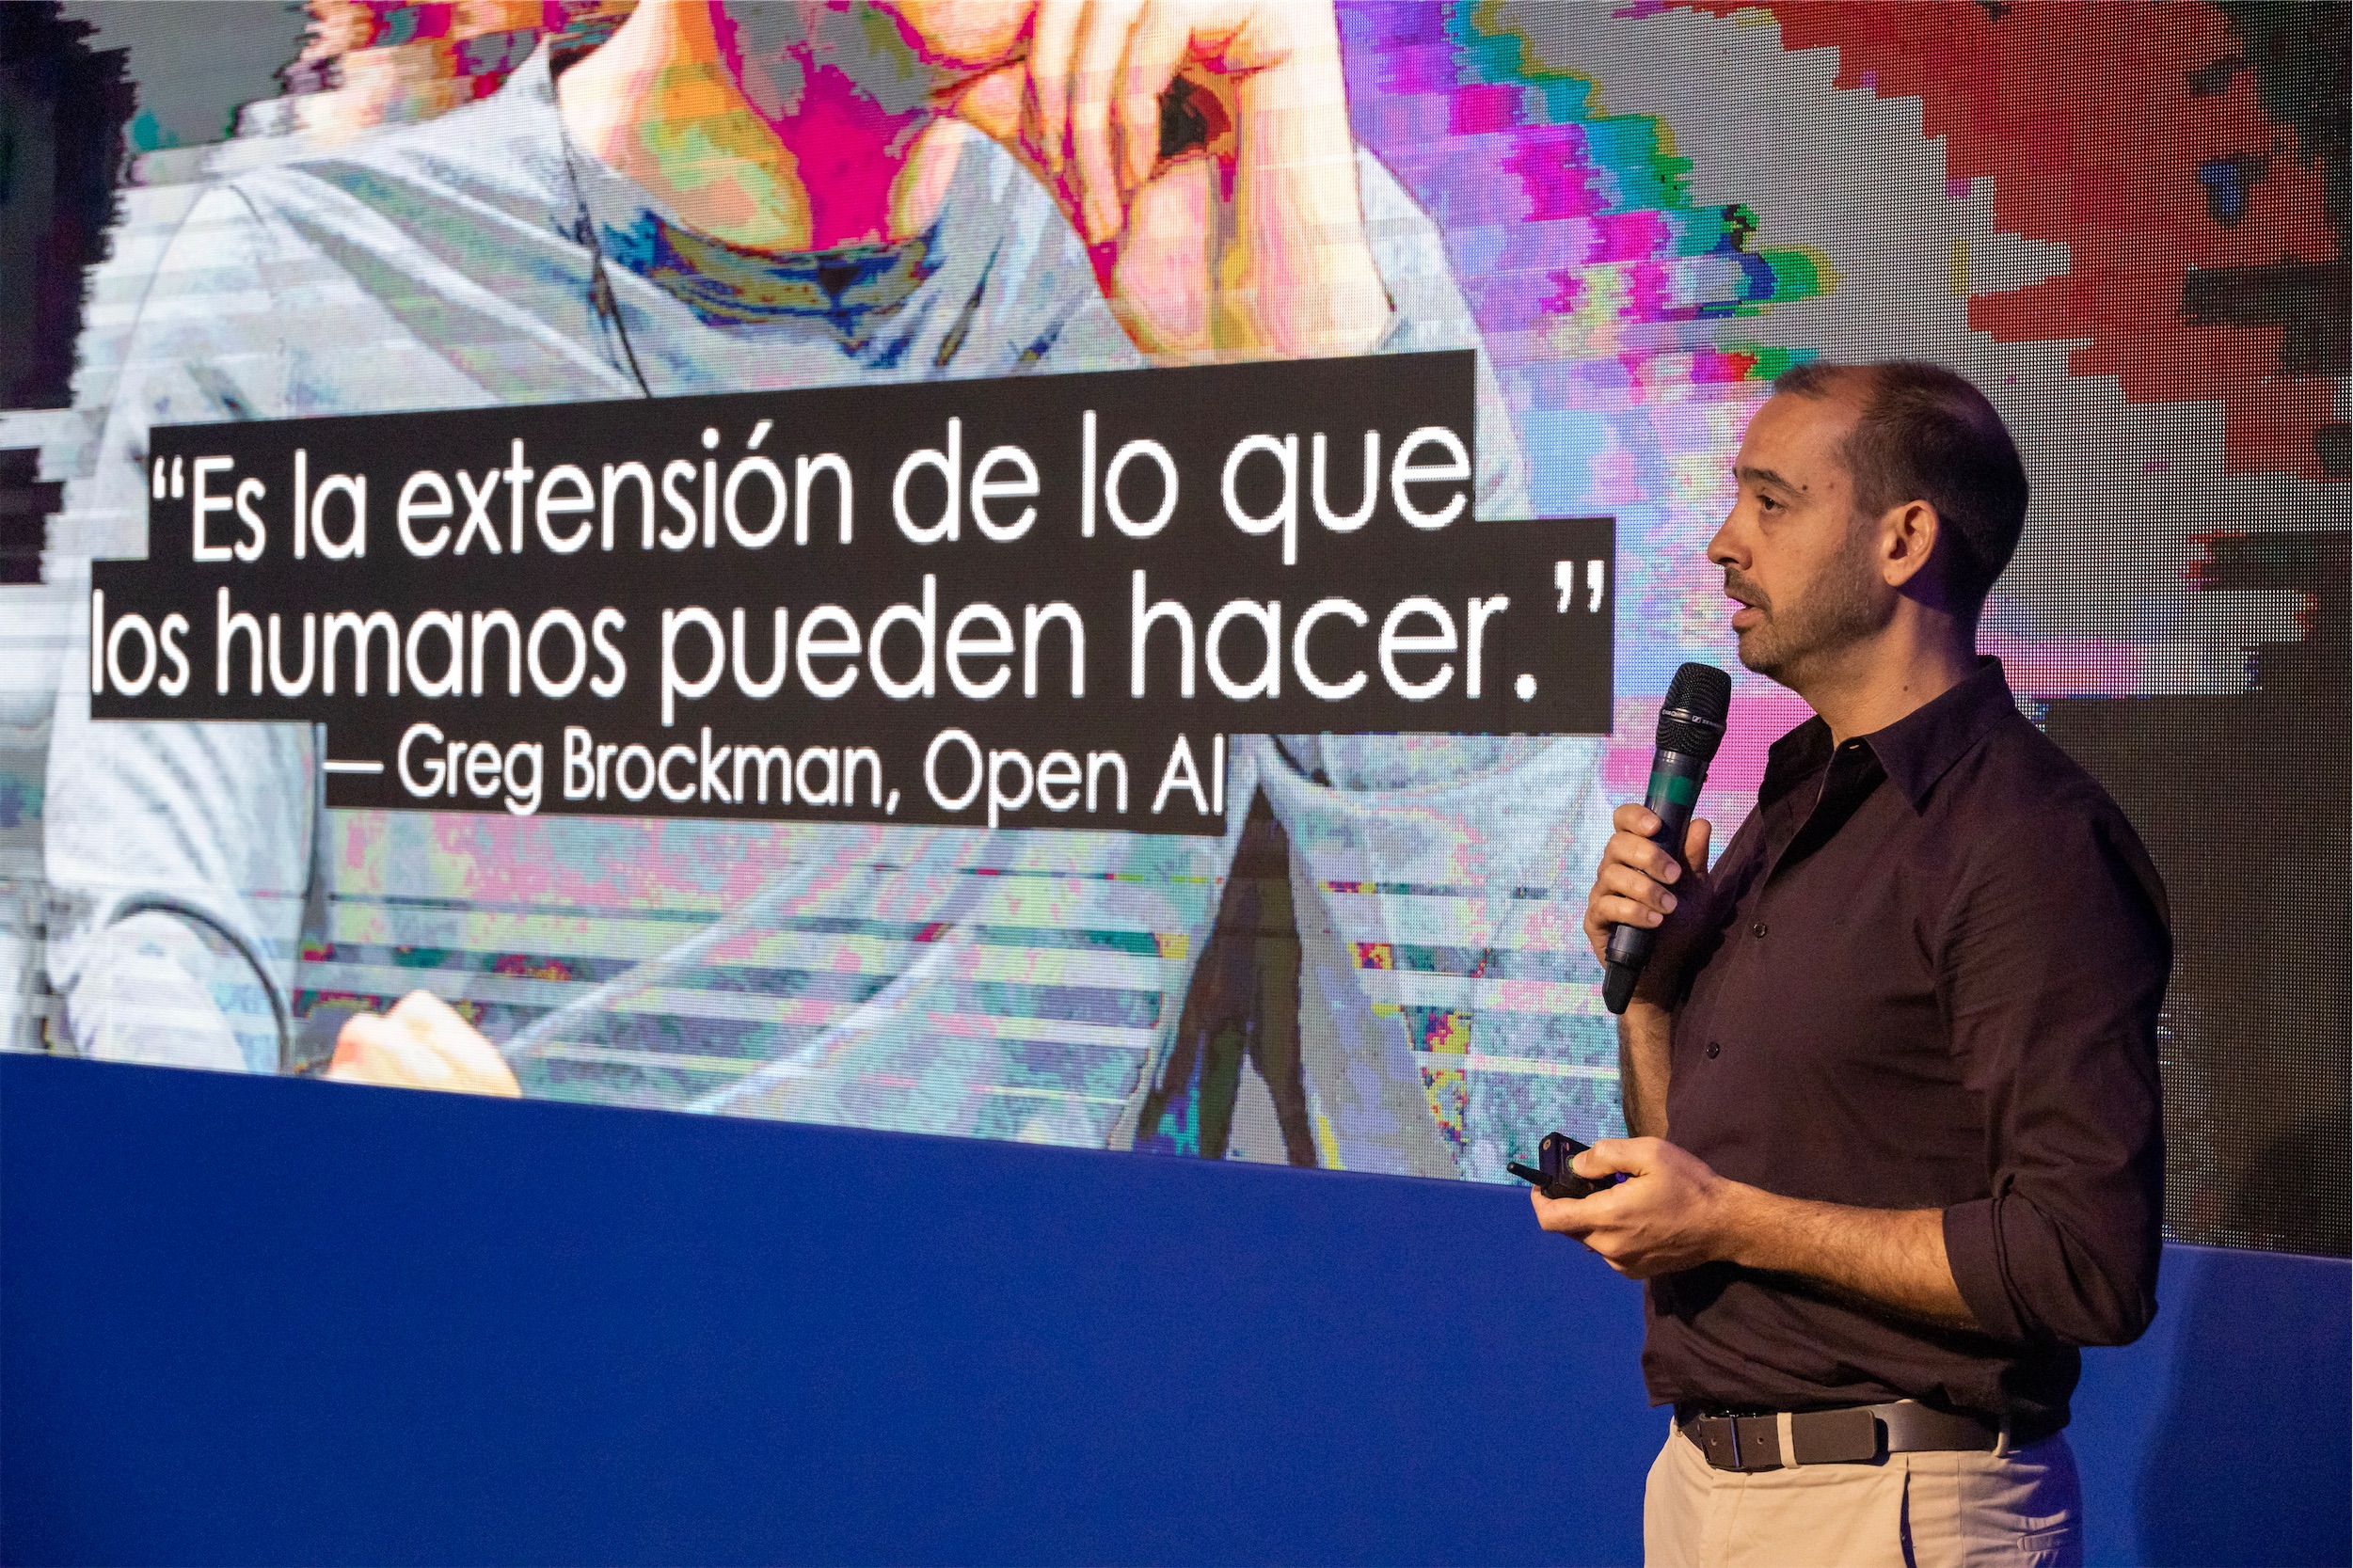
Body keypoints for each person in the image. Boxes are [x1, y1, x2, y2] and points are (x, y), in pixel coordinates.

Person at [43, 0, 1613, 1177]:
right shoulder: (305, 287)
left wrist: (1332, 426)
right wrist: (309, 1189)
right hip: (499, 1404)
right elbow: (151, 1037)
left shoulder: (1250, 239)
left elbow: (1556, 1131)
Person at [1538, 361, 2168, 1566]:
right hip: (1703, 1481)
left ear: (1902, 540)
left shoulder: (2025, 841)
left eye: (1769, 501)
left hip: (1890, 1506)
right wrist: (1651, 999)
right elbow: (1704, 1184)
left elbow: (2083, 1261)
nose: (1723, 542)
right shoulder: (1794, 798)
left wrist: (1731, 1218)